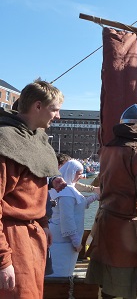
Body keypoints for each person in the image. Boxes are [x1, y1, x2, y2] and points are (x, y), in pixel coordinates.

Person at [85, 104, 137, 298]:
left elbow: (100, 183)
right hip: (127, 230)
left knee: (107, 284)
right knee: (130, 285)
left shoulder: (106, 150)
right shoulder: (136, 154)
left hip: (105, 223)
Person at [0, 80, 66, 298]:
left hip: (33, 237)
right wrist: (3, 261)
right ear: (38, 106)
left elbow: (33, 188)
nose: (58, 116)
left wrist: (44, 223)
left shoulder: (35, 138)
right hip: (12, 239)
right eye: (54, 109)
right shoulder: (6, 142)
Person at [47, 159, 99, 277]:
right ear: (71, 172)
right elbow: (67, 219)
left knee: (61, 268)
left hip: (61, 237)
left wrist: (95, 197)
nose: (81, 176)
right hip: (63, 240)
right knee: (60, 271)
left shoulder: (68, 189)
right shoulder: (66, 192)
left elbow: (79, 206)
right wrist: (76, 242)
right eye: (79, 173)